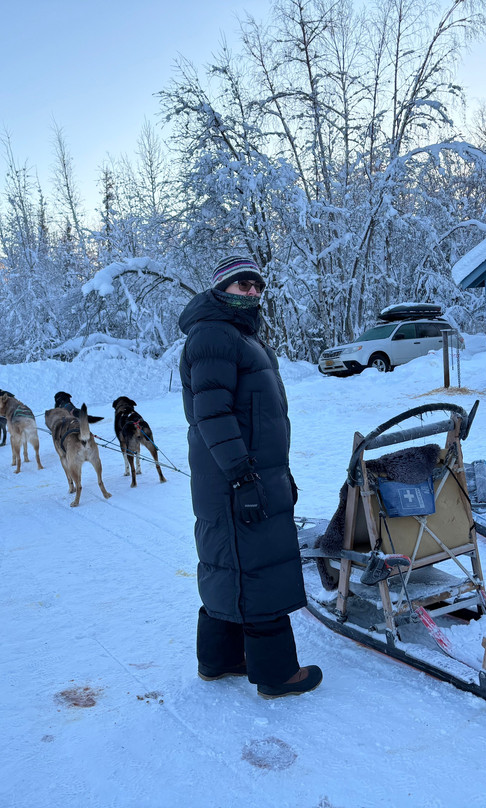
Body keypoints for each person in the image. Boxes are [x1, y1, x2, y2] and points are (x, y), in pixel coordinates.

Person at [178, 254, 322, 699]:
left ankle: (219, 660)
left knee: (231, 563)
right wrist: (243, 477)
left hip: (246, 473)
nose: (253, 292)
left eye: (257, 286)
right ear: (222, 288)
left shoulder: (234, 335)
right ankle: (277, 674)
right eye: (243, 285)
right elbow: (212, 414)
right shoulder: (214, 335)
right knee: (256, 566)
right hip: (235, 477)